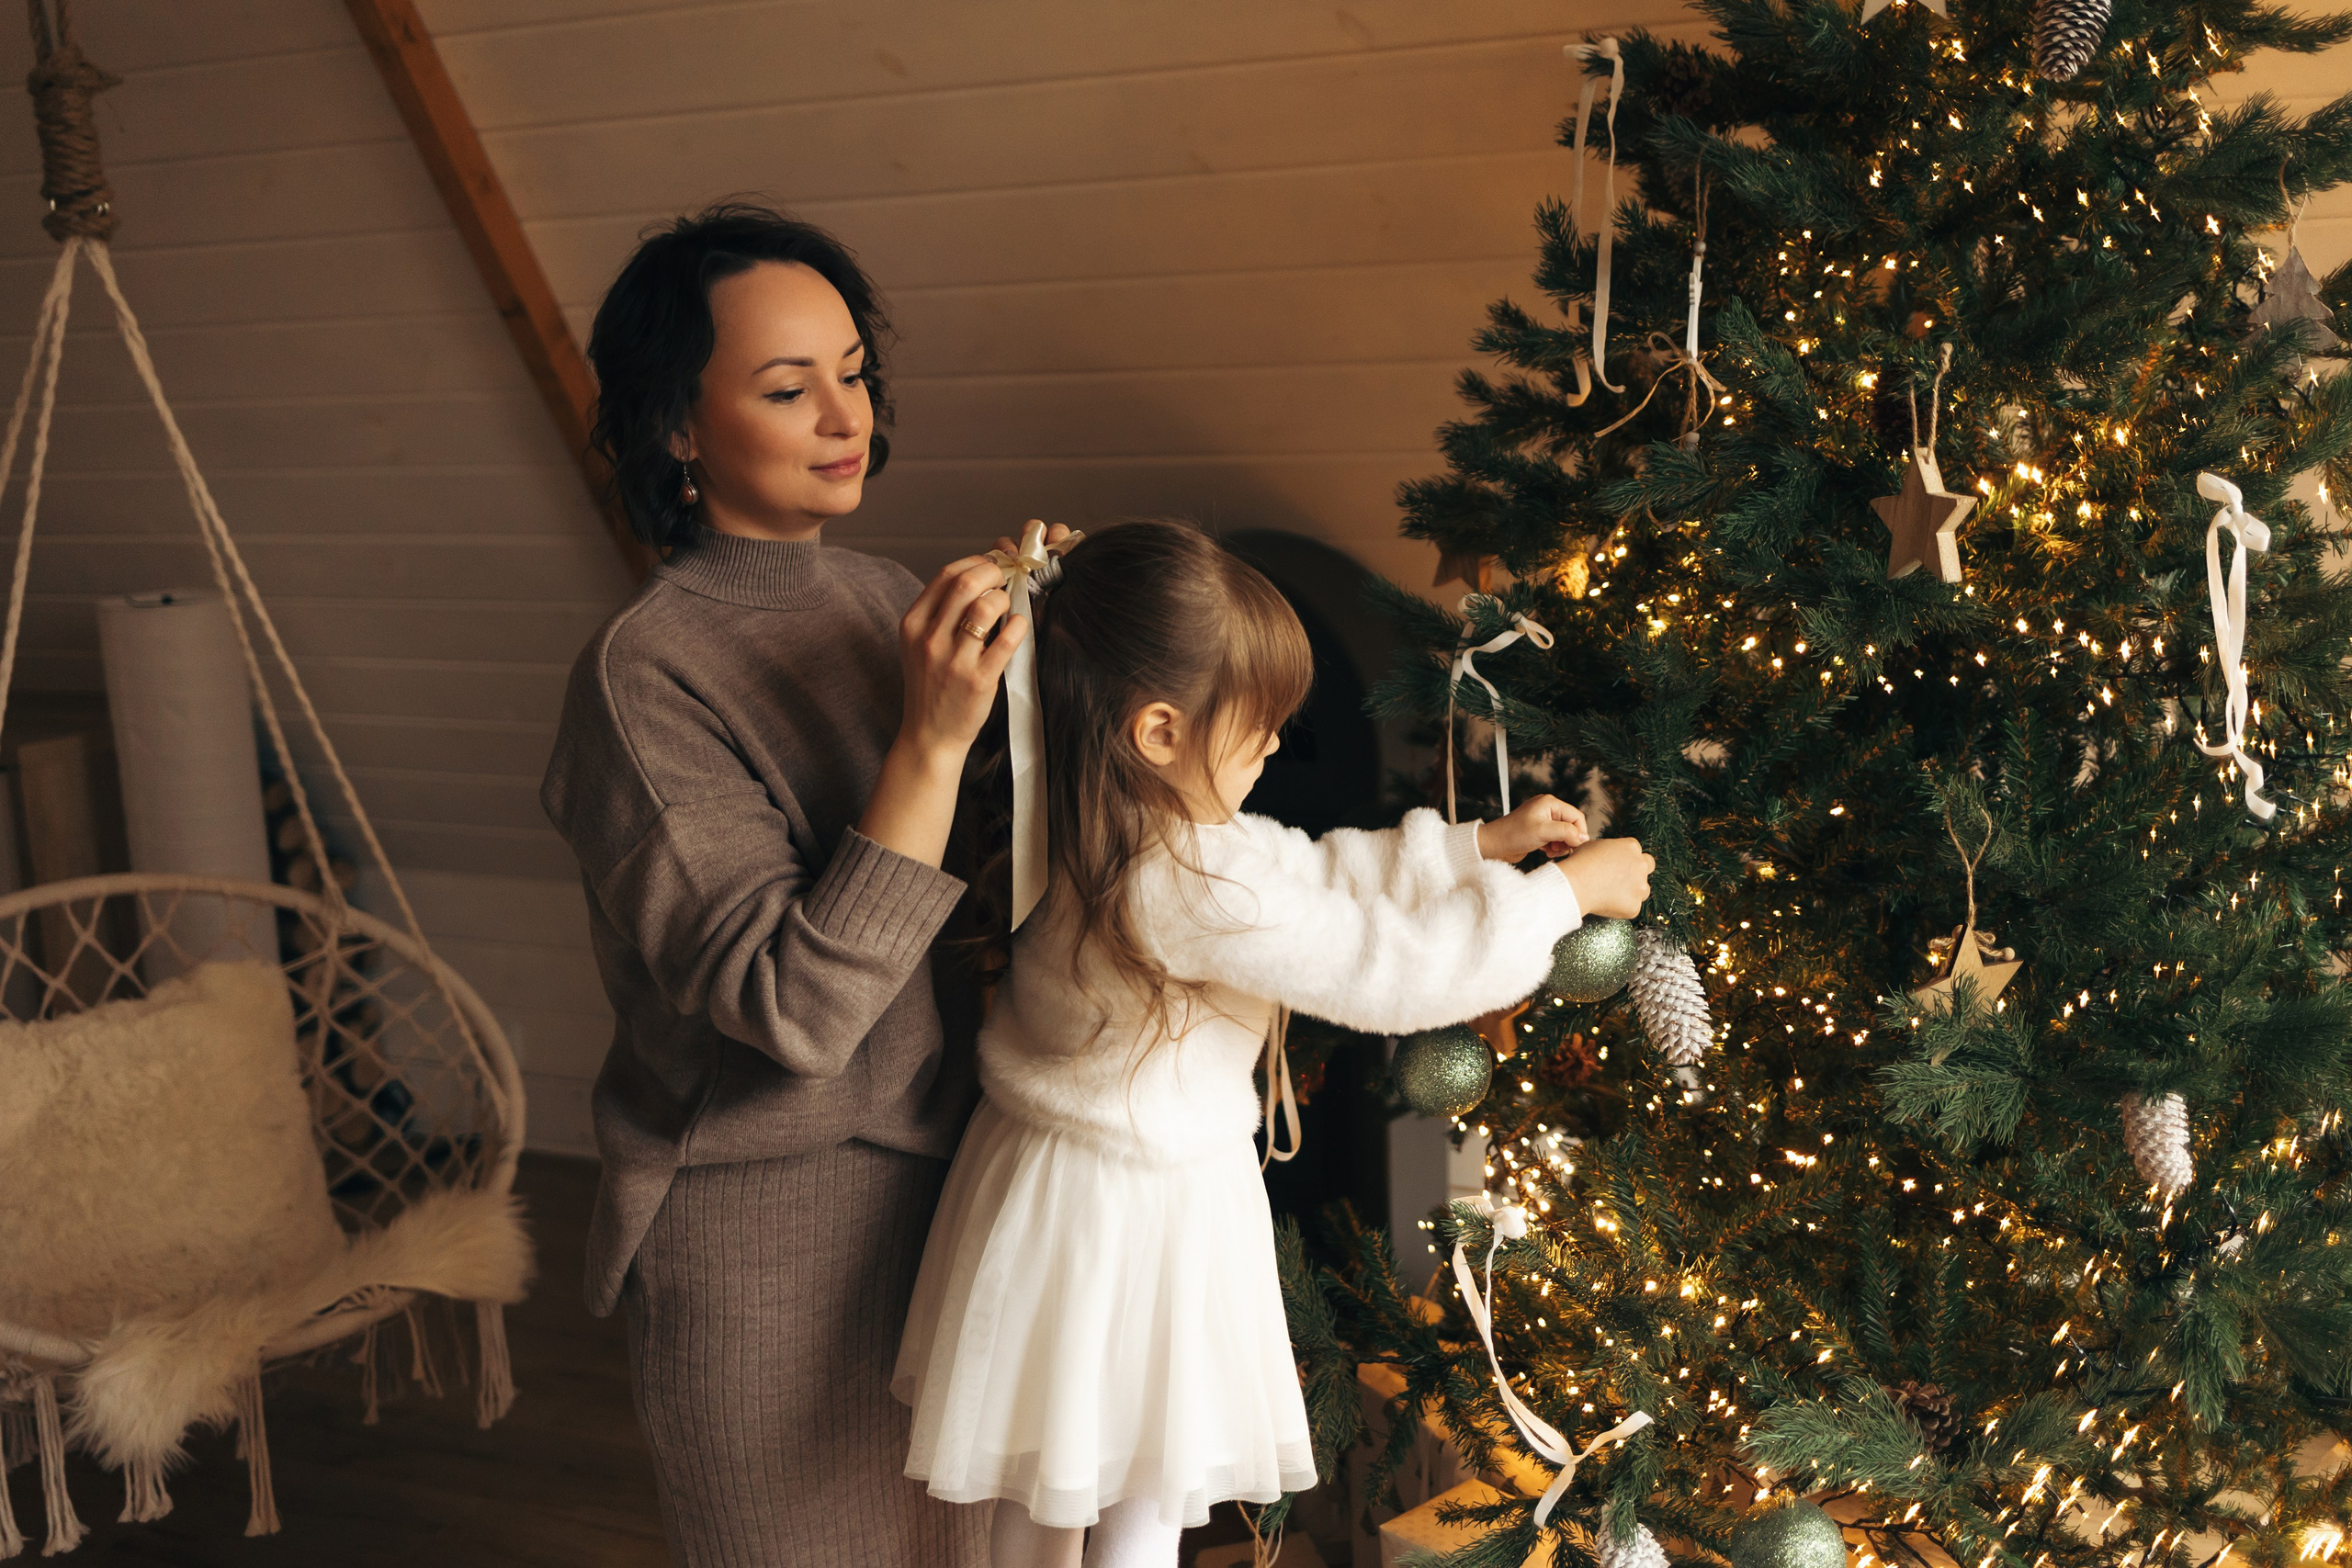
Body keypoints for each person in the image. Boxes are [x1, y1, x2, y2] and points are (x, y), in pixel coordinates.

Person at [891, 520, 1656, 1568]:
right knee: (1136, 1498)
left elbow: (1316, 874)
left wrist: (1479, 846)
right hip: (1136, 1211)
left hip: (1056, 1187)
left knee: (1050, 1471)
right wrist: (1563, 896)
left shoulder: (1109, 818)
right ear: (1159, 731)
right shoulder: (1190, 879)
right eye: (1258, 726)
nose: (1274, 747)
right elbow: (1392, 969)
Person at [543, 202, 1043, 1566]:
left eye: (852, 371)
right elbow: (794, 1007)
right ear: (678, 429)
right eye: (786, 385)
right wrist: (932, 741)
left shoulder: (885, 592)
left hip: (955, 1182)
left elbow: (985, 886)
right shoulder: (642, 675)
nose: (844, 414)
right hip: (761, 1228)